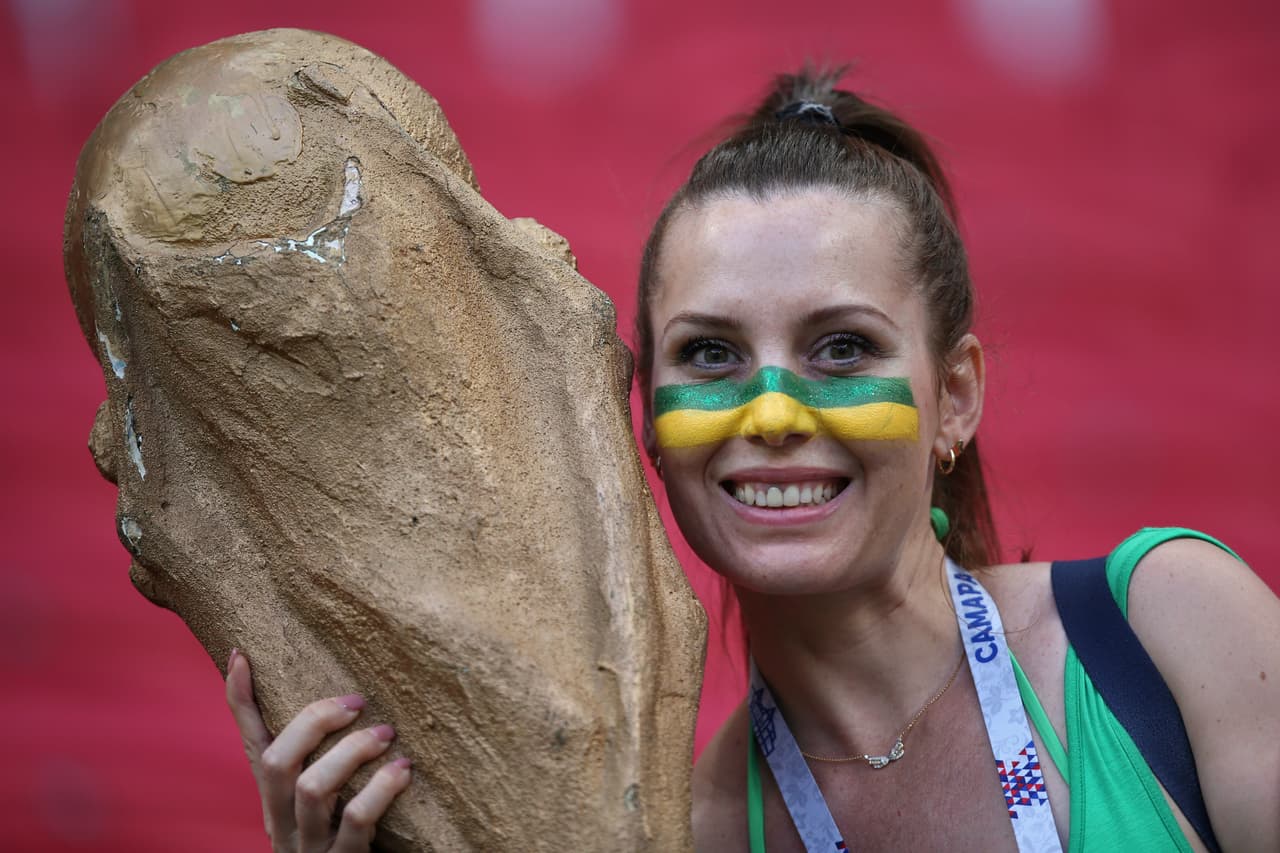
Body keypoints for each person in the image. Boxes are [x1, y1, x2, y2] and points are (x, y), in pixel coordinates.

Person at [225, 69, 1280, 852]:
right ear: (644, 419)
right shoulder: (685, 832)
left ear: (952, 395)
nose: (769, 412)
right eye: (711, 354)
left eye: (841, 347)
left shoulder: (1167, 630)